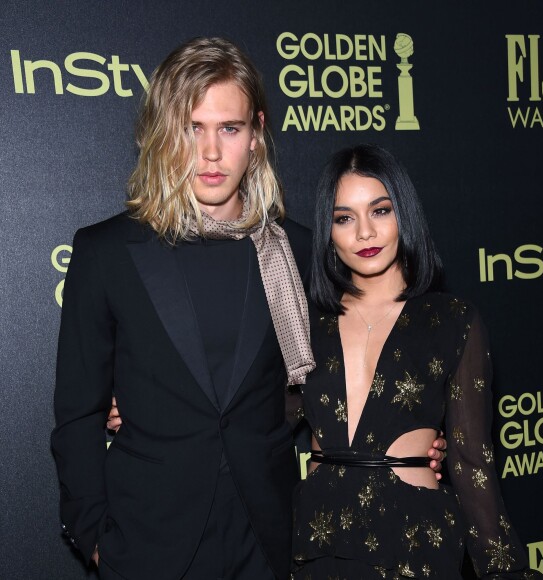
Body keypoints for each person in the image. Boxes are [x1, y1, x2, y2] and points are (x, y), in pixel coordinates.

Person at [51, 38, 446, 580]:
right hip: (146, 540)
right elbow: (77, 415)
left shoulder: (299, 251)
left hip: (269, 536)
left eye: (229, 129)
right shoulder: (107, 253)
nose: (211, 153)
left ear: (256, 135)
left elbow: (357, 366)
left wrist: (414, 437)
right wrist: (94, 534)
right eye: (193, 128)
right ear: (165, 134)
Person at [291, 144, 543, 579]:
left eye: (381, 210)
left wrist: (505, 570)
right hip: (319, 543)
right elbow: (257, 426)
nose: (365, 233)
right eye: (344, 218)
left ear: (403, 212)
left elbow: (470, 461)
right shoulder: (306, 323)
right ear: (327, 232)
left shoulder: (452, 320)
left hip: (413, 545)